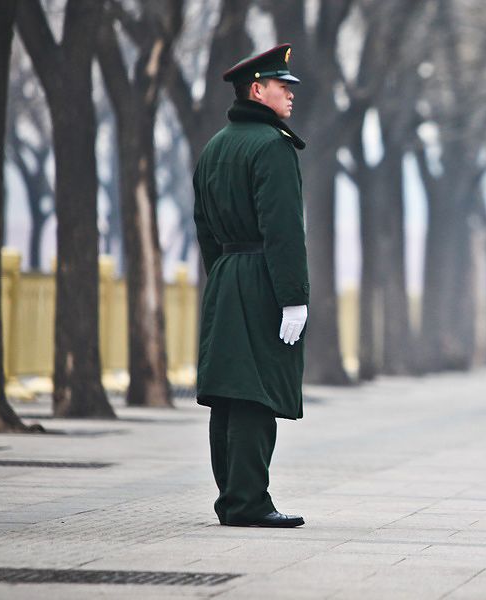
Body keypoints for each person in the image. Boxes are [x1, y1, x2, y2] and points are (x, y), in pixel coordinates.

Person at [193, 44, 309, 528]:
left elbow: (204, 226)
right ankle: (248, 503)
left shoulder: (215, 146)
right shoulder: (271, 146)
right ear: (257, 89)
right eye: (284, 88)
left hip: (225, 276)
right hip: (261, 278)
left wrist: (221, 274)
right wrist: (293, 297)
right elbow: (282, 230)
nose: (291, 97)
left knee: (229, 394)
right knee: (256, 395)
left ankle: (233, 498)